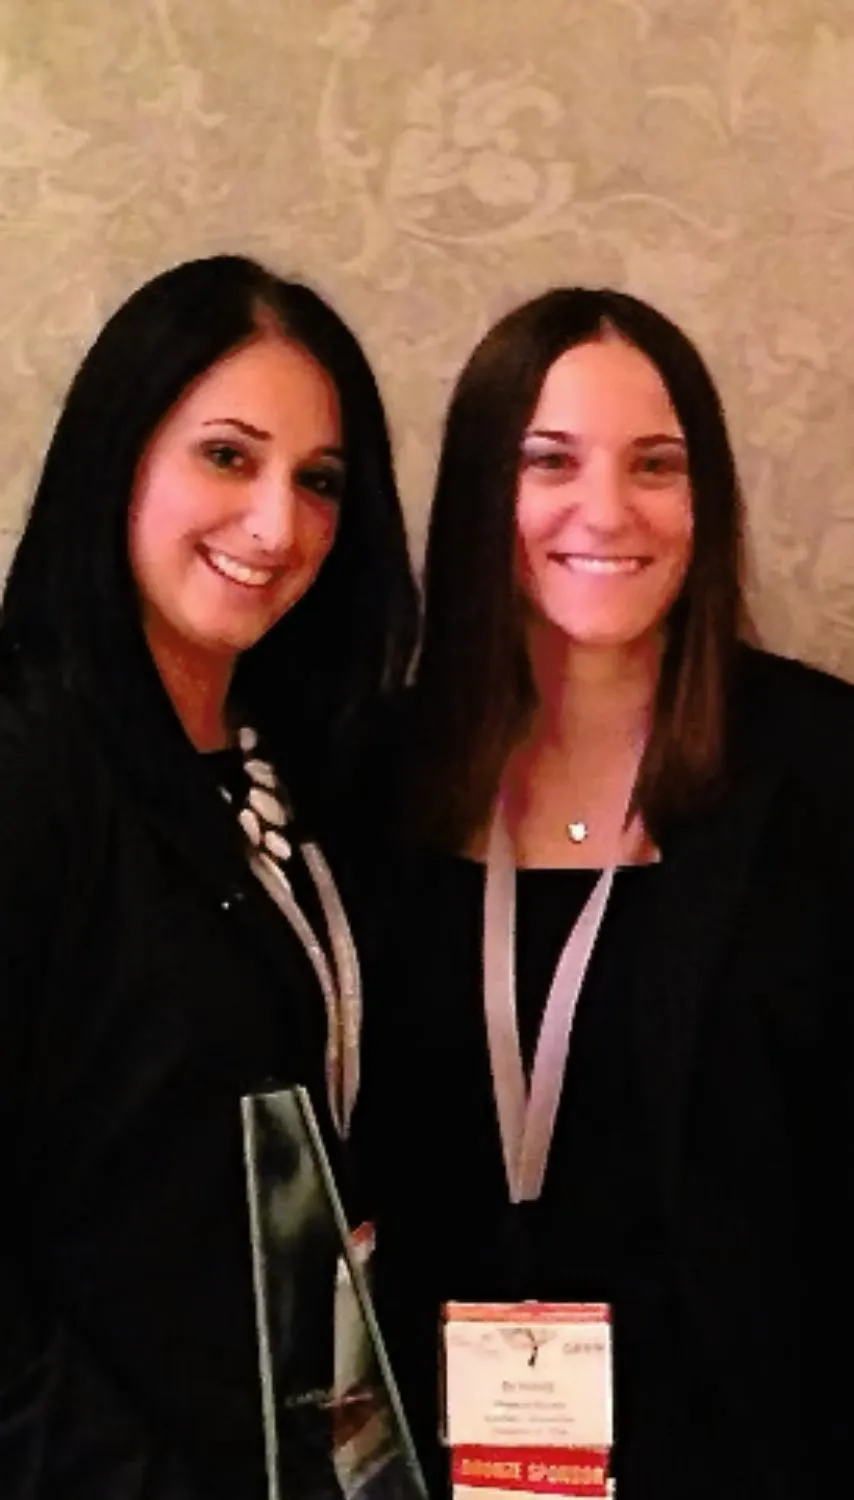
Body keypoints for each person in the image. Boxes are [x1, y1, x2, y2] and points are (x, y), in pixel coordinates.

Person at [353, 288, 854, 1500]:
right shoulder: (364, 781)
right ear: (474, 496)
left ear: (704, 499)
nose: (605, 511)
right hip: (430, 1455)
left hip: (757, 1455)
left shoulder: (844, 774)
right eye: (547, 462)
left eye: (654, 465)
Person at [0, 255, 418, 1498]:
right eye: (227, 457)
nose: (276, 524)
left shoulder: (301, 762)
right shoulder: (31, 771)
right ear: (117, 454)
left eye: (320, 481)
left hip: (303, 1446)